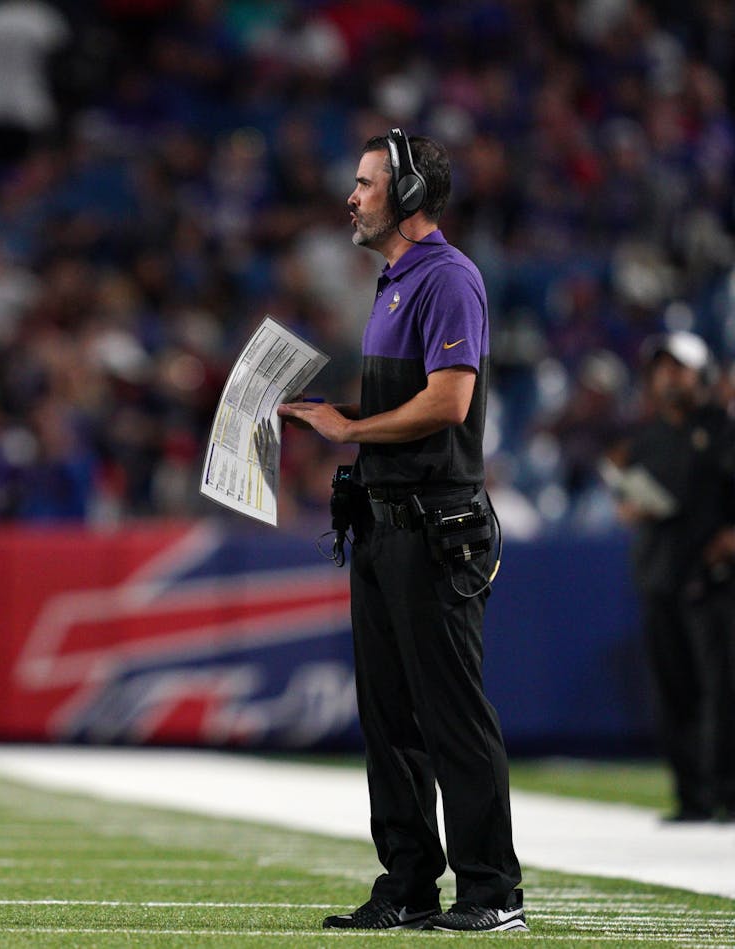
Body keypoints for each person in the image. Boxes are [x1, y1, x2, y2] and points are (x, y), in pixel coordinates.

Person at [279, 130, 525, 933]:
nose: (351, 196)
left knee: (451, 713)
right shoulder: (393, 281)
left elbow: (449, 403)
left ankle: (493, 890)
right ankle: (411, 884)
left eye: (365, 183)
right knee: (389, 720)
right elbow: (400, 406)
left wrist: (350, 427)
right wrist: (337, 421)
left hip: (435, 525)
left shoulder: (449, 276)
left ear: (410, 192)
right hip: (385, 525)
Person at [605, 331, 735, 821]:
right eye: (661, 368)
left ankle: (727, 793)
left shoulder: (724, 430)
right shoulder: (648, 438)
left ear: (701, 374)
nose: (668, 377)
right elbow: (628, 500)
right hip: (660, 577)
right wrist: (630, 505)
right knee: (673, 690)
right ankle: (692, 796)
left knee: (721, 691)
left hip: (714, 580)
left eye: (678, 367)